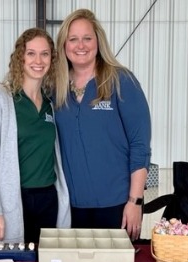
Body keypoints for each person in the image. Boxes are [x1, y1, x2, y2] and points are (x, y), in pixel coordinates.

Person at [54, 9, 152, 241]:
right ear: (64, 44)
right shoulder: (54, 88)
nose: (81, 45)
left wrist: (135, 202)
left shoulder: (121, 81)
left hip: (117, 206)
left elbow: (140, 146)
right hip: (71, 209)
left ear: (98, 41)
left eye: (87, 38)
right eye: (73, 39)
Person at [0, 28, 70, 244]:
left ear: (52, 59)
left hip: (48, 200)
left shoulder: (51, 105)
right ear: (20, 58)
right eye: (31, 53)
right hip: (14, 200)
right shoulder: (0, 100)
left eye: (45, 54)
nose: (38, 60)